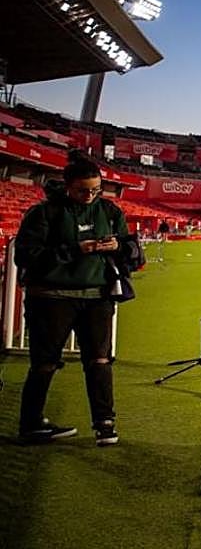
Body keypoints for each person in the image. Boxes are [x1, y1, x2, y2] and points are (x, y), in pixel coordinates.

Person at [15, 152, 130, 446]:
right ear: (67, 186)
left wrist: (118, 246)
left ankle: (105, 424)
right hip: (51, 298)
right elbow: (27, 256)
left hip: (97, 297)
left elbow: (132, 251)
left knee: (100, 360)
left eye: (95, 189)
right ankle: (30, 424)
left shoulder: (110, 211)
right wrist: (77, 249)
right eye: (82, 190)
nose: (90, 195)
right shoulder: (43, 213)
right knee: (45, 362)